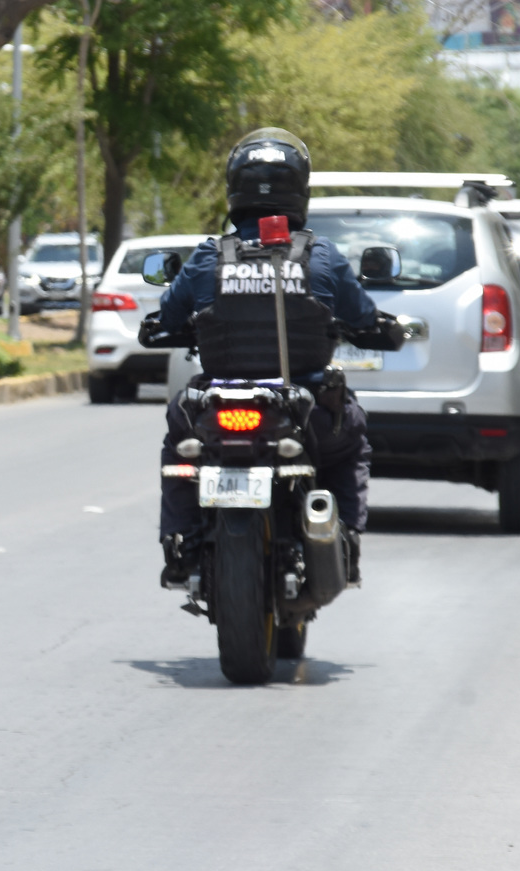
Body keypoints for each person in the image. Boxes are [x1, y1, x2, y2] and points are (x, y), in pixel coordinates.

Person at [155, 127, 379, 586]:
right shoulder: (321, 256)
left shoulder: (207, 256)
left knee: (179, 440)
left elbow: (169, 315)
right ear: (300, 190)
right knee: (350, 437)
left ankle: (180, 543)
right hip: (307, 410)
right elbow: (364, 315)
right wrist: (380, 329)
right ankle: (348, 543)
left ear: (234, 188)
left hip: (216, 408)